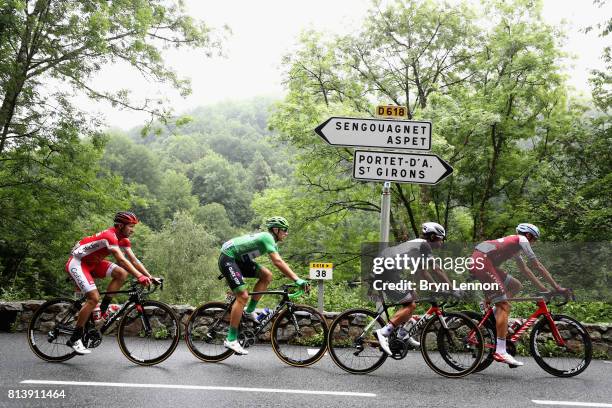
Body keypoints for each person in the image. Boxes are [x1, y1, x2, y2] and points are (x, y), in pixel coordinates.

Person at [469, 223, 568, 366]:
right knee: (504, 306)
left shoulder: (515, 247)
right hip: (483, 262)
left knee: (516, 285)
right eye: (534, 239)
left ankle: (494, 312)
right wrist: (557, 287)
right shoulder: (522, 240)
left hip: (484, 261)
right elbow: (536, 265)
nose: (533, 243)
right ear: (528, 235)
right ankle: (501, 351)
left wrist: (545, 289)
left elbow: (525, 270)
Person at [65, 211, 157, 355]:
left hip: (94, 263)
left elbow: (134, 260)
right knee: (93, 298)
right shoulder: (110, 236)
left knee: (121, 274)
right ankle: (75, 339)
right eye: (130, 226)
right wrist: (139, 277)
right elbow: (121, 260)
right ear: (120, 226)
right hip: (78, 263)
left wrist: (149, 277)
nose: (133, 230)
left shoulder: (123, 240)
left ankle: (102, 311)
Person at [218, 216, 309, 355]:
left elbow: (280, 262)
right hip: (228, 258)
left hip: (238, 260)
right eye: (284, 230)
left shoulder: (271, 241)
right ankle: (231, 339)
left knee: (267, 275)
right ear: (276, 229)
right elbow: (277, 262)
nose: (287, 233)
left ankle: (249, 312)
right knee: (242, 296)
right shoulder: (267, 237)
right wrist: (297, 279)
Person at [375, 222, 452, 356]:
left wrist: (436, 287)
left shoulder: (419, 245)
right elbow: (436, 269)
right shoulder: (424, 245)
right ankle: (383, 332)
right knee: (410, 304)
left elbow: (421, 272)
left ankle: (402, 333)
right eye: (441, 239)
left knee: (413, 296)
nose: (441, 243)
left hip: (390, 270)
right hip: (386, 271)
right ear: (433, 237)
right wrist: (451, 288)